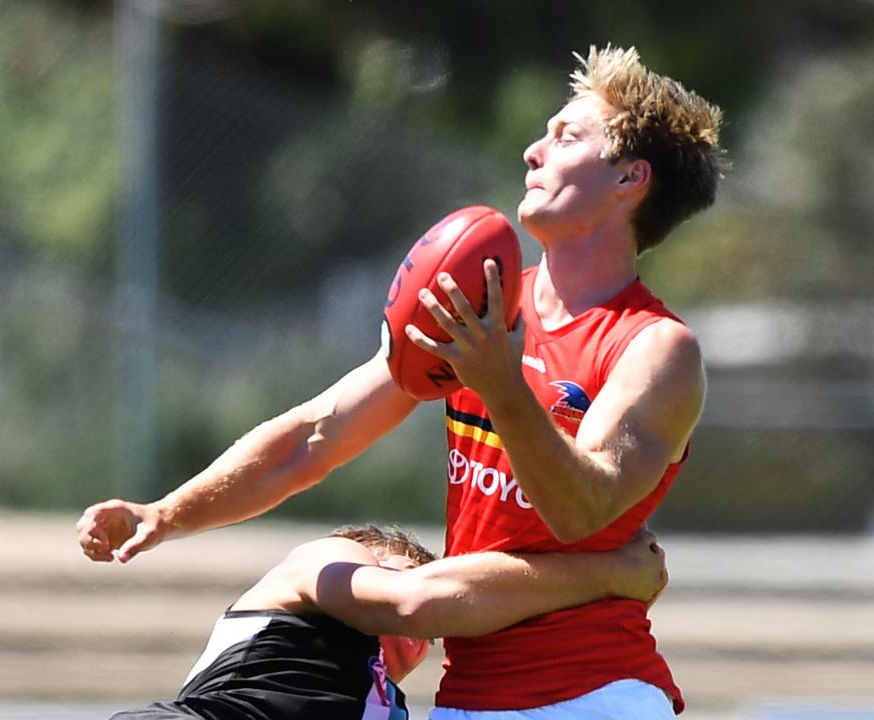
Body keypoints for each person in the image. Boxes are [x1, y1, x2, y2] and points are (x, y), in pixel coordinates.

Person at [80, 44, 722, 719]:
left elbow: (581, 512)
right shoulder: (482, 311)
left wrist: (503, 388)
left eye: (566, 137)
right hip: (467, 693)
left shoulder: (655, 348)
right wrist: (166, 514)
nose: (534, 151)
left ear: (630, 180)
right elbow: (314, 437)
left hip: (592, 691)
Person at [108, 524, 668, 720]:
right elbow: (409, 602)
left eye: (430, 639)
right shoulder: (318, 564)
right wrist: (608, 573)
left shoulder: (385, 706)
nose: (423, 634)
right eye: (406, 566)